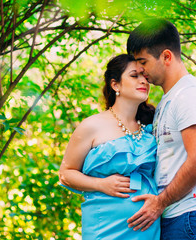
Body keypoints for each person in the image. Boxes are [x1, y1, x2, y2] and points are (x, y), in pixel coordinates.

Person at [125, 19, 196, 239]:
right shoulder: (170, 98)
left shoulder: (190, 96)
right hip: (182, 217)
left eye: (143, 61)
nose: (140, 69)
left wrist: (159, 203)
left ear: (166, 56)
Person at [59, 54, 160, 239]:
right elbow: (66, 173)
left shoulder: (152, 127)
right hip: (104, 226)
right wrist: (101, 184)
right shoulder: (92, 126)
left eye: (144, 77)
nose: (143, 81)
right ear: (115, 85)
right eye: (134, 75)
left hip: (146, 227)